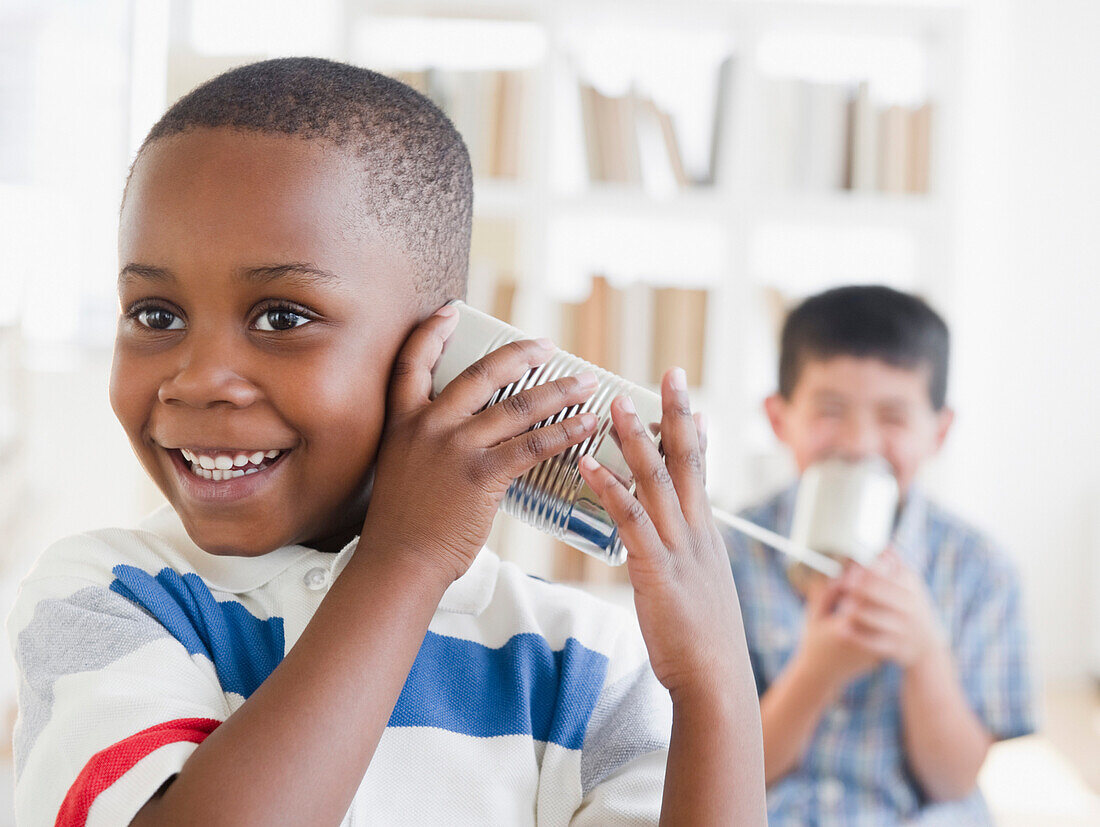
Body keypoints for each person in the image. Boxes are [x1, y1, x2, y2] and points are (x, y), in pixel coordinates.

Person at [7, 58, 765, 825]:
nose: (199, 380)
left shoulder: (580, 664)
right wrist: (405, 559)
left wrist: (716, 688)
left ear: (446, 351)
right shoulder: (105, 597)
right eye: (155, 314)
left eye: (281, 317)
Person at [724, 285, 1035, 825]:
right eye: (830, 411)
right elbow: (720, 774)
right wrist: (817, 672)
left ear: (939, 432)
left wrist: (924, 649)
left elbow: (954, 779)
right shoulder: (731, 553)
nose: (860, 443)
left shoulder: (982, 571)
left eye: (893, 417)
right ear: (779, 420)